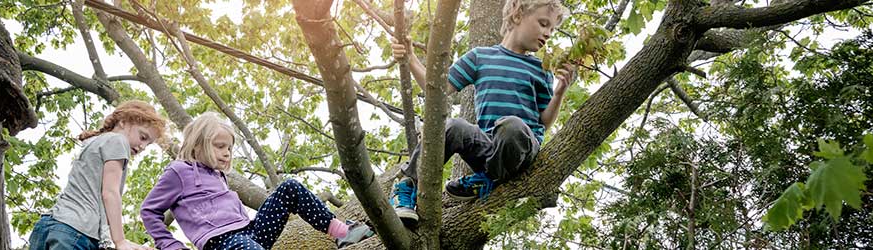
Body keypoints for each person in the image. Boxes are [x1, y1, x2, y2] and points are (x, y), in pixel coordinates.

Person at [388, 0, 576, 226]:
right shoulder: (479, 57)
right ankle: (407, 186)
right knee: (452, 126)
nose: (548, 34)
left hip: (521, 150)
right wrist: (410, 59)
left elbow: (544, 122)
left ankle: (487, 179)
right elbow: (438, 89)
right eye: (543, 24)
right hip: (488, 150)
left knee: (512, 126)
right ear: (517, 16)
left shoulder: (541, 70)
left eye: (552, 29)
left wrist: (560, 92)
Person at [140, 113, 375, 249]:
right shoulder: (179, 171)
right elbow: (149, 210)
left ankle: (340, 232)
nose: (226, 153)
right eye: (220, 146)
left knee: (289, 187)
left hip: (250, 232)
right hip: (221, 244)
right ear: (198, 144)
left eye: (230, 148)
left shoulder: (218, 175)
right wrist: (171, 245)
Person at [29, 100, 168, 250]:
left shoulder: (94, 142)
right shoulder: (118, 140)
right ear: (123, 122)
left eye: (148, 144)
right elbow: (109, 193)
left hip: (49, 226)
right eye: (143, 137)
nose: (143, 147)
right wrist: (120, 241)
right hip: (75, 232)